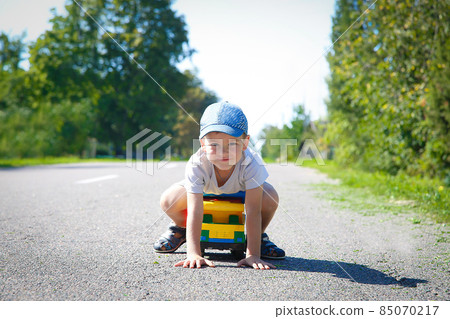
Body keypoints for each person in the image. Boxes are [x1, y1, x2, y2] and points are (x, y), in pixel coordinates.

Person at [153, 101, 285, 269]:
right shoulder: (196, 164)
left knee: (270, 196)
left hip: (241, 191)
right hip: (204, 190)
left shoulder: (252, 163)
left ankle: (257, 238)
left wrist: (253, 255)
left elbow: (253, 211)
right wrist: (194, 253)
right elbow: (195, 209)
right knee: (168, 200)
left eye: (232, 144)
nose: (223, 152)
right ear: (203, 143)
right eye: (214, 145)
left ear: (245, 143)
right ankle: (181, 230)